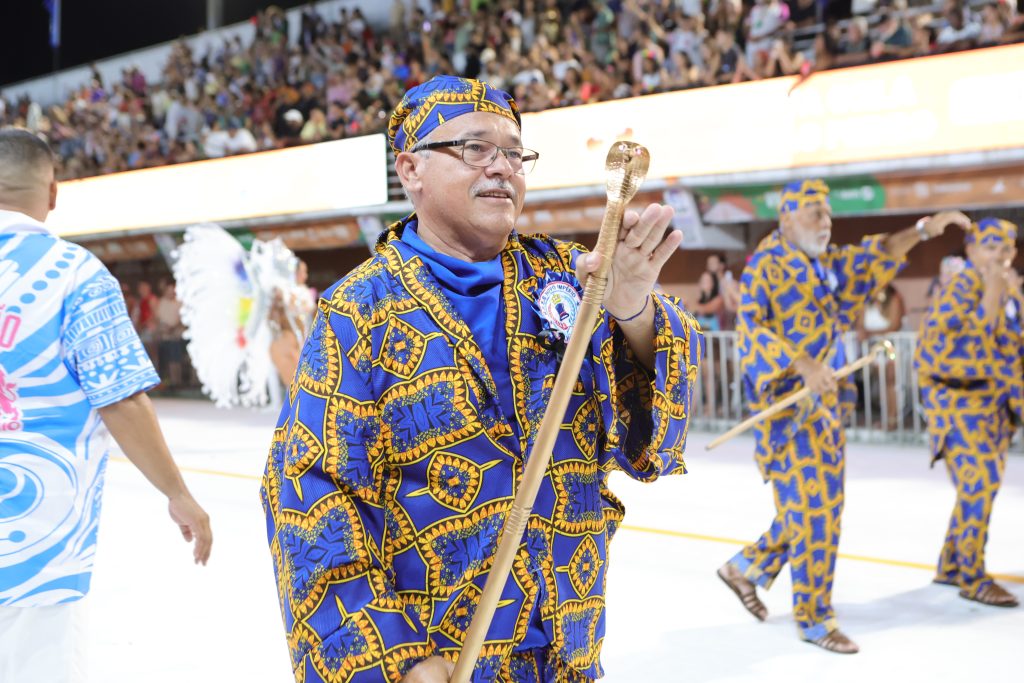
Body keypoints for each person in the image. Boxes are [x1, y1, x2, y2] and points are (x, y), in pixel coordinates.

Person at [260, 75, 703, 683]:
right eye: (475, 148)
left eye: (515, 153)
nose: (502, 168)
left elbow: (649, 430)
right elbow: (311, 493)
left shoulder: (569, 276)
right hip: (440, 656)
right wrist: (396, 661)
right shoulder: (360, 309)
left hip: (568, 648)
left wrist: (632, 309)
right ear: (411, 169)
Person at [715, 178, 969, 654]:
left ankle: (745, 567)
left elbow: (878, 254)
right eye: (816, 213)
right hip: (787, 413)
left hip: (828, 407)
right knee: (814, 515)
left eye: (828, 213)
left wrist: (923, 229)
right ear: (787, 217)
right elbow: (751, 329)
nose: (826, 222)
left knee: (822, 507)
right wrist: (802, 364)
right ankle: (814, 618)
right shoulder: (765, 265)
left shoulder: (828, 264)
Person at [0, 128, 212, 681]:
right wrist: (177, 492)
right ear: (52, 192)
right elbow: (120, 399)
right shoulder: (73, 274)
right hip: (37, 542)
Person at [914, 217, 1021, 608]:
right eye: (990, 248)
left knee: (979, 487)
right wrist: (993, 292)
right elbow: (968, 343)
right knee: (978, 486)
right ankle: (972, 577)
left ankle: (950, 566)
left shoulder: (1009, 290)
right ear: (972, 250)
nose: (999, 257)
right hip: (959, 406)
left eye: (1006, 249)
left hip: (994, 409)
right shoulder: (963, 286)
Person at [857, 283, 905, 429]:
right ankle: (888, 417)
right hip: (876, 349)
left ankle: (893, 418)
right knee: (882, 381)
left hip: (892, 347)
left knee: (891, 379)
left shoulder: (893, 298)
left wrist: (871, 333)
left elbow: (895, 325)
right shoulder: (866, 301)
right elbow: (860, 325)